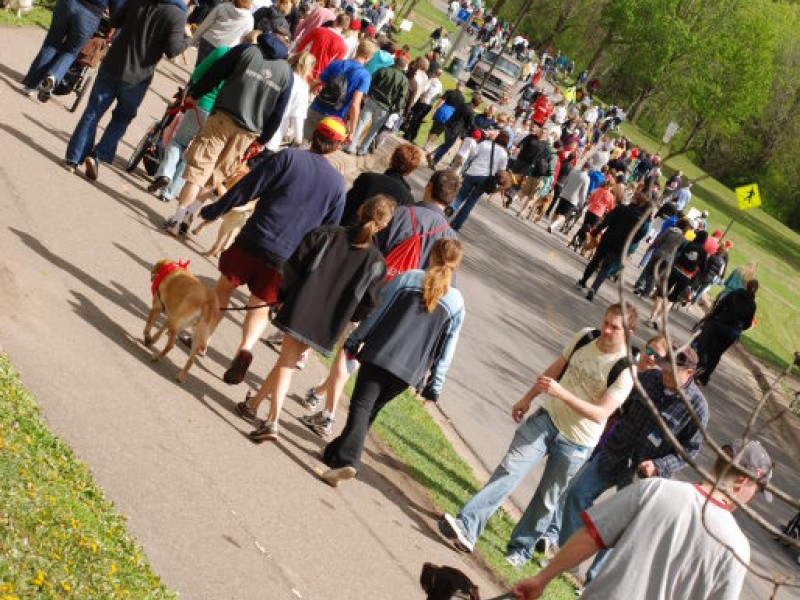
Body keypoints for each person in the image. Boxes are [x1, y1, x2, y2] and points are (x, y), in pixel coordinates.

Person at [439, 304, 637, 563]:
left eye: (614, 327)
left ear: (628, 333)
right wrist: (528, 398)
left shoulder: (624, 371)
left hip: (577, 442)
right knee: (510, 468)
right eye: (606, 322)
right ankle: (468, 527)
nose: (606, 330)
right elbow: (554, 370)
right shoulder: (586, 336)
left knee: (547, 499)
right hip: (547, 419)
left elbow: (601, 414)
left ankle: (520, 549)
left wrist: (561, 393)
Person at [300, 169, 460, 437]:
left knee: (348, 351)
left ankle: (327, 414)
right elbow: (447, 288)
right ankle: (318, 393)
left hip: (377, 293)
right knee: (354, 359)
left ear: (429, 187)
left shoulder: (403, 214)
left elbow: (373, 247)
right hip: (407, 314)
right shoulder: (451, 237)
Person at [512, 439, 773, 600]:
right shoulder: (736, 547)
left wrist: (541, 579)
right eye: (757, 490)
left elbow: (590, 536)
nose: (752, 497)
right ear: (743, 480)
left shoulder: (656, 490)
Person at [194, 117, 348, 385]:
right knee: (259, 306)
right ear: (337, 147)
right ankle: (245, 348)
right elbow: (328, 234)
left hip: (254, 238)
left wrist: (214, 210)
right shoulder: (337, 185)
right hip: (285, 258)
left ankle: (203, 339)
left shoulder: (288, 158)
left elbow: (248, 187)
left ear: (314, 133)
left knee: (224, 288)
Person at [238, 196, 395, 442]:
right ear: (384, 226)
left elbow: (293, 266)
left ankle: (272, 421)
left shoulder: (328, 234)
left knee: (286, 362)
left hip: (301, 307)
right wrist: (347, 316)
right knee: (286, 362)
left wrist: (282, 296)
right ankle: (254, 404)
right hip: (329, 322)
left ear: (361, 209)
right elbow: (369, 303)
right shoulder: (376, 262)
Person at [320, 238, 466, 486]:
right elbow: (447, 349)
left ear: (431, 256)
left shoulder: (408, 279)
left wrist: (357, 338)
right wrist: (435, 384)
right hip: (411, 371)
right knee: (371, 408)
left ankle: (349, 461)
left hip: (381, 354)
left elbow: (378, 312)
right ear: (456, 266)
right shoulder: (456, 303)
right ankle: (335, 452)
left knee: (362, 405)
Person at [559, 346, 708, 582]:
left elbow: (688, 451)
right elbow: (623, 408)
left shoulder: (697, 408)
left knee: (620, 527)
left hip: (642, 475)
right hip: (615, 454)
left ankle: (595, 580)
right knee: (577, 494)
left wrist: (659, 466)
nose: (665, 373)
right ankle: (569, 559)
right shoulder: (648, 377)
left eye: (672, 370)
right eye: (665, 367)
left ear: (689, 373)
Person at [163, 29, 294, 234]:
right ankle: (190, 215)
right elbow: (278, 111)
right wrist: (264, 139)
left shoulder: (246, 50)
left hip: (223, 118)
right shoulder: (287, 73)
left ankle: (177, 218)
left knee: (200, 168)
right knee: (216, 174)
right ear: (287, 44)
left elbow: (215, 73)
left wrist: (196, 94)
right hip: (249, 131)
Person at [64, 0, 190, 178]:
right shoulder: (177, 15)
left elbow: (116, 20)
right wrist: (188, 38)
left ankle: (73, 158)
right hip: (138, 77)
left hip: (113, 64)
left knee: (93, 112)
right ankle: (97, 155)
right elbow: (173, 50)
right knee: (122, 118)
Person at [147, 38, 237, 200]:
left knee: (179, 142)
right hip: (220, 114)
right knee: (194, 152)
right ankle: (170, 192)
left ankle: (166, 173)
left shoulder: (223, 51)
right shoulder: (247, 68)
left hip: (201, 103)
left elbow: (197, 73)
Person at [21, 0, 125, 98]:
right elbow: (117, 8)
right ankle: (54, 76)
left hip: (66, 5)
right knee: (70, 52)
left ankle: (30, 86)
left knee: (51, 44)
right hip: (89, 14)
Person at [576, 192, 650, 301]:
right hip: (621, 245)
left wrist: (596, 232)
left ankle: (583, 281)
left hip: (608, 239)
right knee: (605, 268)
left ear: (634, 200)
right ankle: (594, 288)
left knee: (595, 261)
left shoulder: (620, 208)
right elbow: (640, 235)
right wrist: (631, 240)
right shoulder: (640, 220)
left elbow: (606, 221)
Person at [304, 39, 375, 143]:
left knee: (301, 143)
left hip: (317, 107)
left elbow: (316, 83)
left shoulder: (337, 63)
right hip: (333, 119)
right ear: (368, 57)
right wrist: (352, 131)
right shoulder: (364, 76)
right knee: (319, 151)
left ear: (357, 50)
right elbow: (355, 105)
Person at [694, 279, 758, 385]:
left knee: (706, 346)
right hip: (732, 332)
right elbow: (747, 323)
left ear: (746, 285)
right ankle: (704, 377)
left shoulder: (735, 293)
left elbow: (721, 305)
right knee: (717, 354)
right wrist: (739, 327)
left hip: (720, 324)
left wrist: (714, 316)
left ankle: (702, 364)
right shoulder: (752, 304)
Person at [339, 143, 421, 225]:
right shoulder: (408, 199)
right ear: (410, 171)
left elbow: (345, 207)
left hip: (348, 229)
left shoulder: (367, 178)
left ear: (392, 159)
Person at [343, 55, 409, 156]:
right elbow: (401, 97)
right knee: (374, 129)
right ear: (404, 66)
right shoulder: (404, 80)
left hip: (372, 100)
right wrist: (397, 110)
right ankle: (362, 150)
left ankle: (350, 146)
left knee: (361, 123)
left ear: (395, 60)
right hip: (385, 107)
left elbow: (371, 81)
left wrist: (367, 94)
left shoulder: (383, 70)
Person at [448, 131, 510, 231]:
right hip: (485, 179)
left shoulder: (485, 144)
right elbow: (501, 170)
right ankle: (456, 224)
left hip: (472, 172)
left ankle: (452, 207)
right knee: (471, 202)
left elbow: (473, 154)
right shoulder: (504, 154)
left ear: (497, 137)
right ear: (507, 142)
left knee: (460, 195)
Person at [264, 49, 315, 151]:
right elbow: (298, 115)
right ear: (308, 68)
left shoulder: (279, 73)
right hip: (274, 132)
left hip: (257, 122)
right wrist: (298, 138)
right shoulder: (302, 87)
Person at [191, 0, 254, 65]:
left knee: (199, 67)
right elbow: (244, 36)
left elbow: (206, 24)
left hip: (208, 40)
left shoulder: (222, 7)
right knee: (210, 71)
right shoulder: (249, 20)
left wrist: (193, 40)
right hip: (223, 49)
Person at [294, 12, 349, 79]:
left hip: (304, 67)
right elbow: (335, 66)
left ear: (335, 21)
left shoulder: (319, 31)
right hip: (320, 75)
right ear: (345, 27)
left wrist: (295, 58)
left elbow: (302, 45)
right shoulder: (343, 47)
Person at [403, 67, 443, 143]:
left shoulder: (430, 81)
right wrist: (433, 99)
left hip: (423, 101)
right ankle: (413, 136)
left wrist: (421, 95)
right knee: (419, 120)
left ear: (435, 73)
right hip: (429, 105)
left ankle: (408, 135)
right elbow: (440, 94)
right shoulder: (440, 85)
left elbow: (424, 89)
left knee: (415, 119)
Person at [548, 163, 591, 233]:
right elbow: (583, 192)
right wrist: (582, 203)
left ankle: (551, 224)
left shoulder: (573, 171)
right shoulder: (586, 179)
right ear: (589, 169)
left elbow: (565, 182)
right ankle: (552, 226)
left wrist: (563, 190)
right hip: (573, 200)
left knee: (558, 211)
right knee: (564, 216)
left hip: (564, 194)